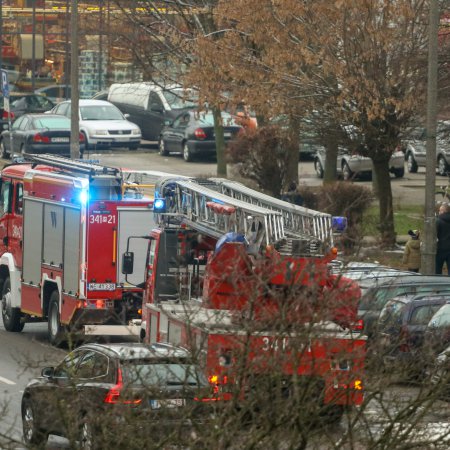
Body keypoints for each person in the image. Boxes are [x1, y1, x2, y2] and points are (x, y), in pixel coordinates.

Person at [436, 203, 450, 275]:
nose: (439, 212)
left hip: (440, 249)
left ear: (444, 211)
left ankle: (438, 285)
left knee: (437, 270)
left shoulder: (438, 221)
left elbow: (434, 235)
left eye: (440, 210)